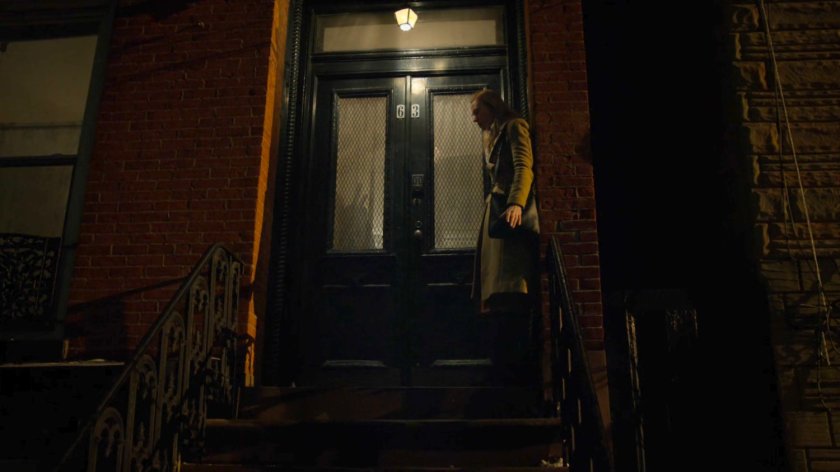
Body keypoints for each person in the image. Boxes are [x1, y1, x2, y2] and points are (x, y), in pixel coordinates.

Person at [470, 88, 540, 385]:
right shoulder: (493, 135)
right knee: (495, 292)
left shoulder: (514, 127)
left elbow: (525, 166)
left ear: (491, 107)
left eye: (477, 111)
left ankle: (514, 368)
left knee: (509, 286)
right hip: (496, 215)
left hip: (507, 215)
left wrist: (516, 203)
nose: (474, 119)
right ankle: (502, 364)